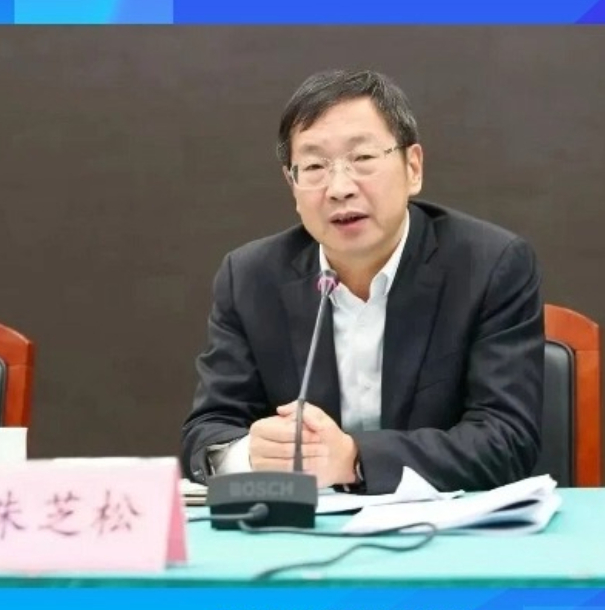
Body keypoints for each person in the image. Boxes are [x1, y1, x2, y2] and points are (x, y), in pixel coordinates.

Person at [181, 69, 544, 494]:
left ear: (413, 167)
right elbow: (208, 432)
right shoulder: (251, 278)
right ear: (292, 185)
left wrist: (353, 459)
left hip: (444, 526)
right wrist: (249, 454)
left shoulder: (489, 265)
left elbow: (506, 439)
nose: (339, 188)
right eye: (314, 166)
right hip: (307, 527)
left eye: (363, 158)